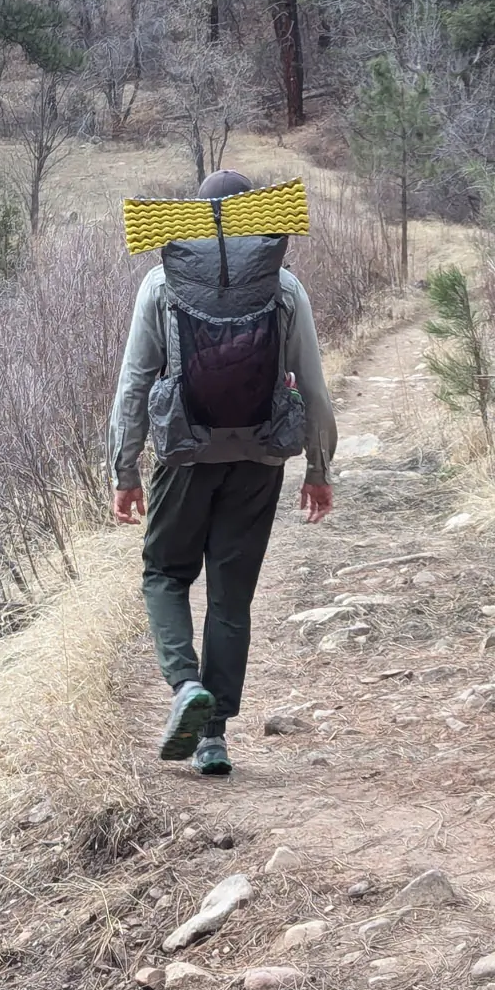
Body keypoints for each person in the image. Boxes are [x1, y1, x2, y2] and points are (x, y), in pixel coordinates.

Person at [108, 169, 337, 776]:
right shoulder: (284, 285)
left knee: (164, 573)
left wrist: (124, 468)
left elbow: (134, 383)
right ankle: (213, 738)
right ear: (253, 221)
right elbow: (312, 385)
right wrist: (318, 466)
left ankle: (185, 684)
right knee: (231, 599)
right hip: (261, 458)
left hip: (185, 456)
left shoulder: (162, 282)